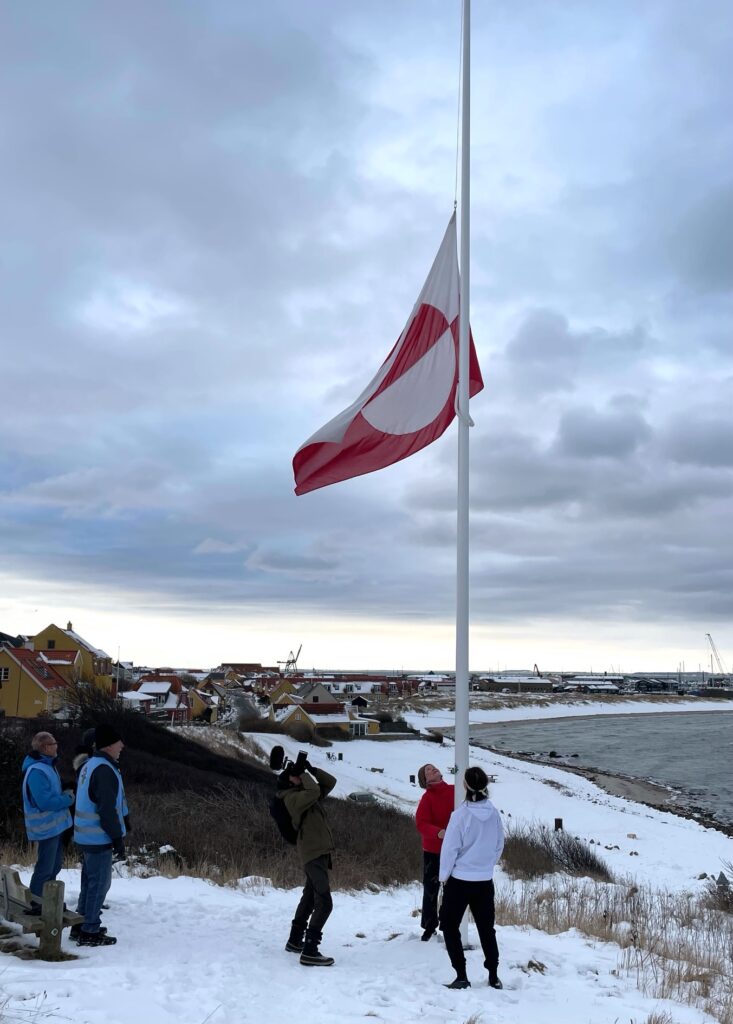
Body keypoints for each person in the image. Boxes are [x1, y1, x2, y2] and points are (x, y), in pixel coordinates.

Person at [438, 765, 504, 990]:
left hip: (459, 880)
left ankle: (461, 975)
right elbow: (499, 845)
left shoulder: (460, 815)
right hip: (484, 880)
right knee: (487, 929)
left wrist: (444, 877)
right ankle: (493, 975)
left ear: (465, 785)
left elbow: (450, 849)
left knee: (449, 925)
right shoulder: (493, 813)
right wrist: (486, 865)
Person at [277, 757, 337, 966]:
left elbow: (330, 783)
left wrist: (312, 770)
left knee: (310, 897)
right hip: (312, 853)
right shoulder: (292, 799)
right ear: (290, 781)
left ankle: (295, 940)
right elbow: (313, 791)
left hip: (318, 852)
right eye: (296, 777)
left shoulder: (304, 795)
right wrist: (302, 774)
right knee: (325, 902)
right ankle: (310, 950)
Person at [73, 723, 128, 946]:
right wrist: (117, 838)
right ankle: (89, 930)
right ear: (108, 745)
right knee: (99, 884)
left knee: (89, 882)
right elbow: (106, 809)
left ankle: (80, 923)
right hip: (98, 837)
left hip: (86, 836)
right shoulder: (104, 770)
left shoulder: (90, 764)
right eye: (118, 742)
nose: (122, 746)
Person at [21, 731, 74, 913]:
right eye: (54, 743)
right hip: (46, 828)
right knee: (45, 867)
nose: (57, 746)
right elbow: (44, 802)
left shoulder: (47, 766)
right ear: (45, 747)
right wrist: (68, 799)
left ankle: (49, 901)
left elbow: (50, 793)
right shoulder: (37, 771)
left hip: (55, 827)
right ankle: (37, 903)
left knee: (55, 865)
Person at [415, 762, 454, 941]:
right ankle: (429, 927)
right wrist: (438, 833)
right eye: (428, 770)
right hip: (433, 851)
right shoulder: (427, 798)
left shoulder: (454, 790)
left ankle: (449, 925)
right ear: (425, 780)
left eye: (432, 767)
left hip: (454, 850)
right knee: (431, 890)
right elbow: (421, 824)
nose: (433, 769)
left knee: (452, 890)